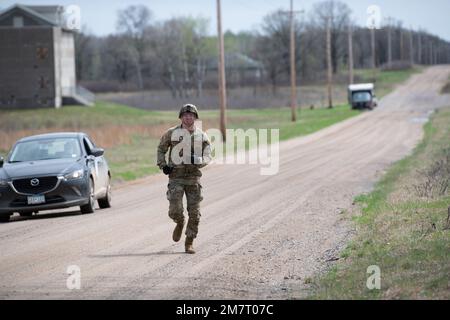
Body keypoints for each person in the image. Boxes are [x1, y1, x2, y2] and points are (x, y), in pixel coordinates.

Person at [157, 104, 211, 254]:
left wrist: (198, 159)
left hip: (193, 178)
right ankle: (180, 223)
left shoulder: (202, 136)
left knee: (195, 213)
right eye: (185, 115)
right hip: (176, 177)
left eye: (191, 115)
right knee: (175, 210)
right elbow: (161, 148)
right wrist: (163, 165)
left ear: (195, 117)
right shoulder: (171, 133)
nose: (188, 117)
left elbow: (208, 155)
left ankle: (189, 242)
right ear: (181, 117)